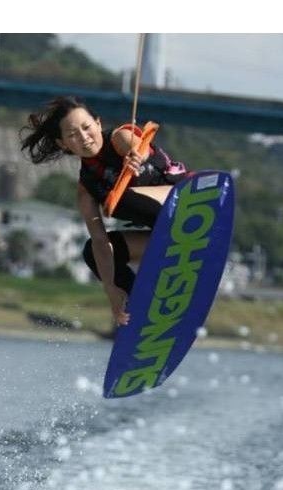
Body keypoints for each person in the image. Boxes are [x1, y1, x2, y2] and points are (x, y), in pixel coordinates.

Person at [20, 96, 189, 326]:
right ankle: (142, 309)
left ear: (98, 123)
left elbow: (136, 146)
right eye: (72, 135)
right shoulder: (86, 190)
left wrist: (135, 158)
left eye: (87, 127)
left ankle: (179, 243)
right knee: (94, 250)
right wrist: (111, 289)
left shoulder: (119, 138)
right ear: (63, 144)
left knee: (118, 199)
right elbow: (101, 242)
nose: (84, 137)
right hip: (168, 236)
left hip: (186, 201)